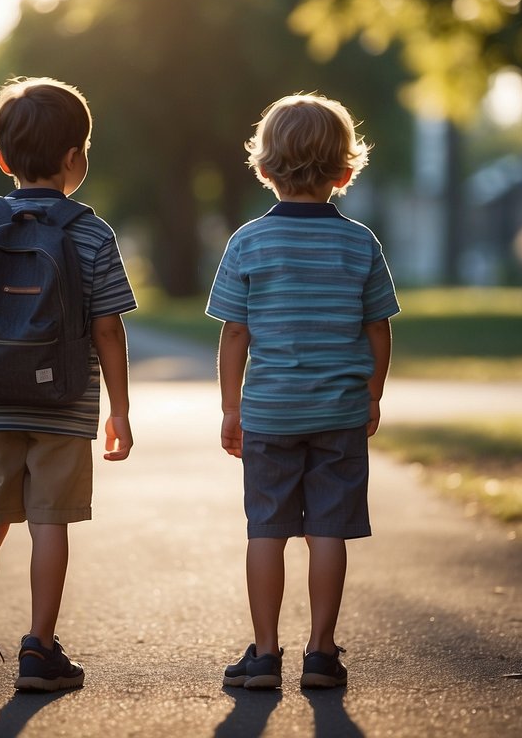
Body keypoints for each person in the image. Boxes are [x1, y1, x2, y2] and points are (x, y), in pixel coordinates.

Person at [0, 76, 136, 693]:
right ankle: (39, 651)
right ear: (75, 159)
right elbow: (107, 330)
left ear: (1, 159)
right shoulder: (93, 234)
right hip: (65, 404)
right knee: (50, 523)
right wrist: (118, 411)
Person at [206, 92, 399, 690]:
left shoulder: (247, 243)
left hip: (269, 413)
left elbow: (235, 332)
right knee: (328, 531)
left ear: (264, 168)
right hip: (339, 413)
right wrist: (372, 394)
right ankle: (320, 651)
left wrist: (231, 408)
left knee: (266, 528)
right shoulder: (360, 243)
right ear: (345, 170)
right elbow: (377, 328)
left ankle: (265, 655)